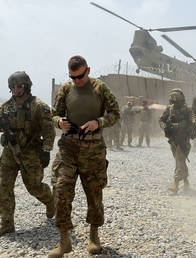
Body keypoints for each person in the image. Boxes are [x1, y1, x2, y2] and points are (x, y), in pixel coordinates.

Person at [49, 56, 120, 256]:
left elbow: (115, 113)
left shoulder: (100, 88)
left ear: (88, 71)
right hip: (68, 148)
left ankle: (94, 235)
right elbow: (54, 114)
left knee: (94, 193)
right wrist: (58, 122)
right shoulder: (65, 89)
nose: (77, 81)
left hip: (93, 149)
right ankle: (64, 240)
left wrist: (98, 122)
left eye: (80, 76)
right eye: (73, 77)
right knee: (61, 190)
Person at [0, 71, 56, 238]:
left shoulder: (39, 106)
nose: (16, 90)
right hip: (10, 152)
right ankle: (7, 223)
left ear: (26, 86)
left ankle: (51, 201)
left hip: (31, 153)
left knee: (34, 187)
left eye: (19, 86)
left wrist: (46, 151)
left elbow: (49, 131)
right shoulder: (6, 107)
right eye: (13, 87)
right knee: (1, 184)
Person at [159, 89, 194, 194]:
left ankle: (176, 184)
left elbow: (193, 123)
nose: (175, 104)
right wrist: (166, 127)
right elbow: (161, 120)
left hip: (183, 140)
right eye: (173, 102)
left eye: (177, 102)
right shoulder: (169, 109)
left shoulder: (187, 110)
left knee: (179, 160)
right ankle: (186, 182)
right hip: (173, 140)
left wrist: (182, 127)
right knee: (180, 162)